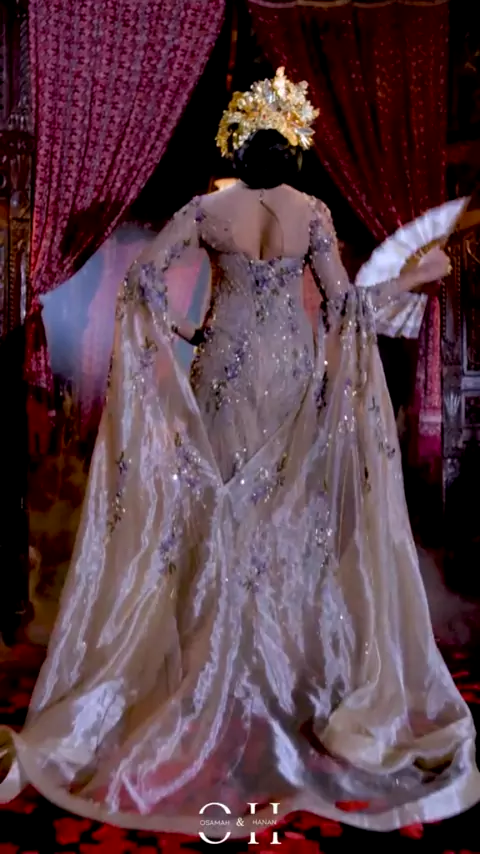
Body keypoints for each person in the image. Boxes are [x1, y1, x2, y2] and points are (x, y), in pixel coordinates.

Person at [1, 68, 479, 838]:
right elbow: (348, 308)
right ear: (288, 146)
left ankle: (207, 674)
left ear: (240, 143)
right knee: (286, 526)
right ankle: (284, 676)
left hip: (222, 374)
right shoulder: (311, 213)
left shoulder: (206, 210)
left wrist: (177, 334)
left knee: (217, 519)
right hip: (287, 376)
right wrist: (416, 277)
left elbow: (142, 283)